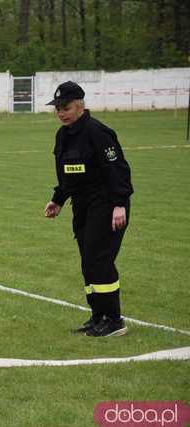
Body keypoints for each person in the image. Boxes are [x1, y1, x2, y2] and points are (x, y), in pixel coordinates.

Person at [44, 81, 134, 337]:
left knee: (99, 259)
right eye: (58, 108)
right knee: (88, 262)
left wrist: (119, 203)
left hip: (106, 203)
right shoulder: (63, 135)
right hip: (82, 205)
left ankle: (114, 320)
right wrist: (58, 199)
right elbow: (67, 174)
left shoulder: (98, 132)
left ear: (80, 106)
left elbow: (117, 169)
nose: (61, 113)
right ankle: (98, 317)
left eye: (66, 107)